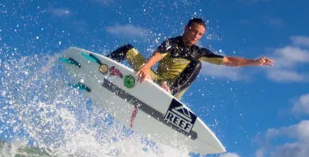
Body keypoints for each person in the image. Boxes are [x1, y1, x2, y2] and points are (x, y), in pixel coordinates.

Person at [108, 18, 274, 98]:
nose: (196, 36)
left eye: (200, 34)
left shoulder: (198, 52)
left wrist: (254, 62)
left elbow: (228, 60)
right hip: (156, 79)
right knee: (127, 49)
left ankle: (169, 93)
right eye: (194, 31)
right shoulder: (172, 43)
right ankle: (100, 65)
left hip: (172, 89)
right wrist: (145, 68)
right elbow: (158, 55)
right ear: (186, 28)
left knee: (197, 64)